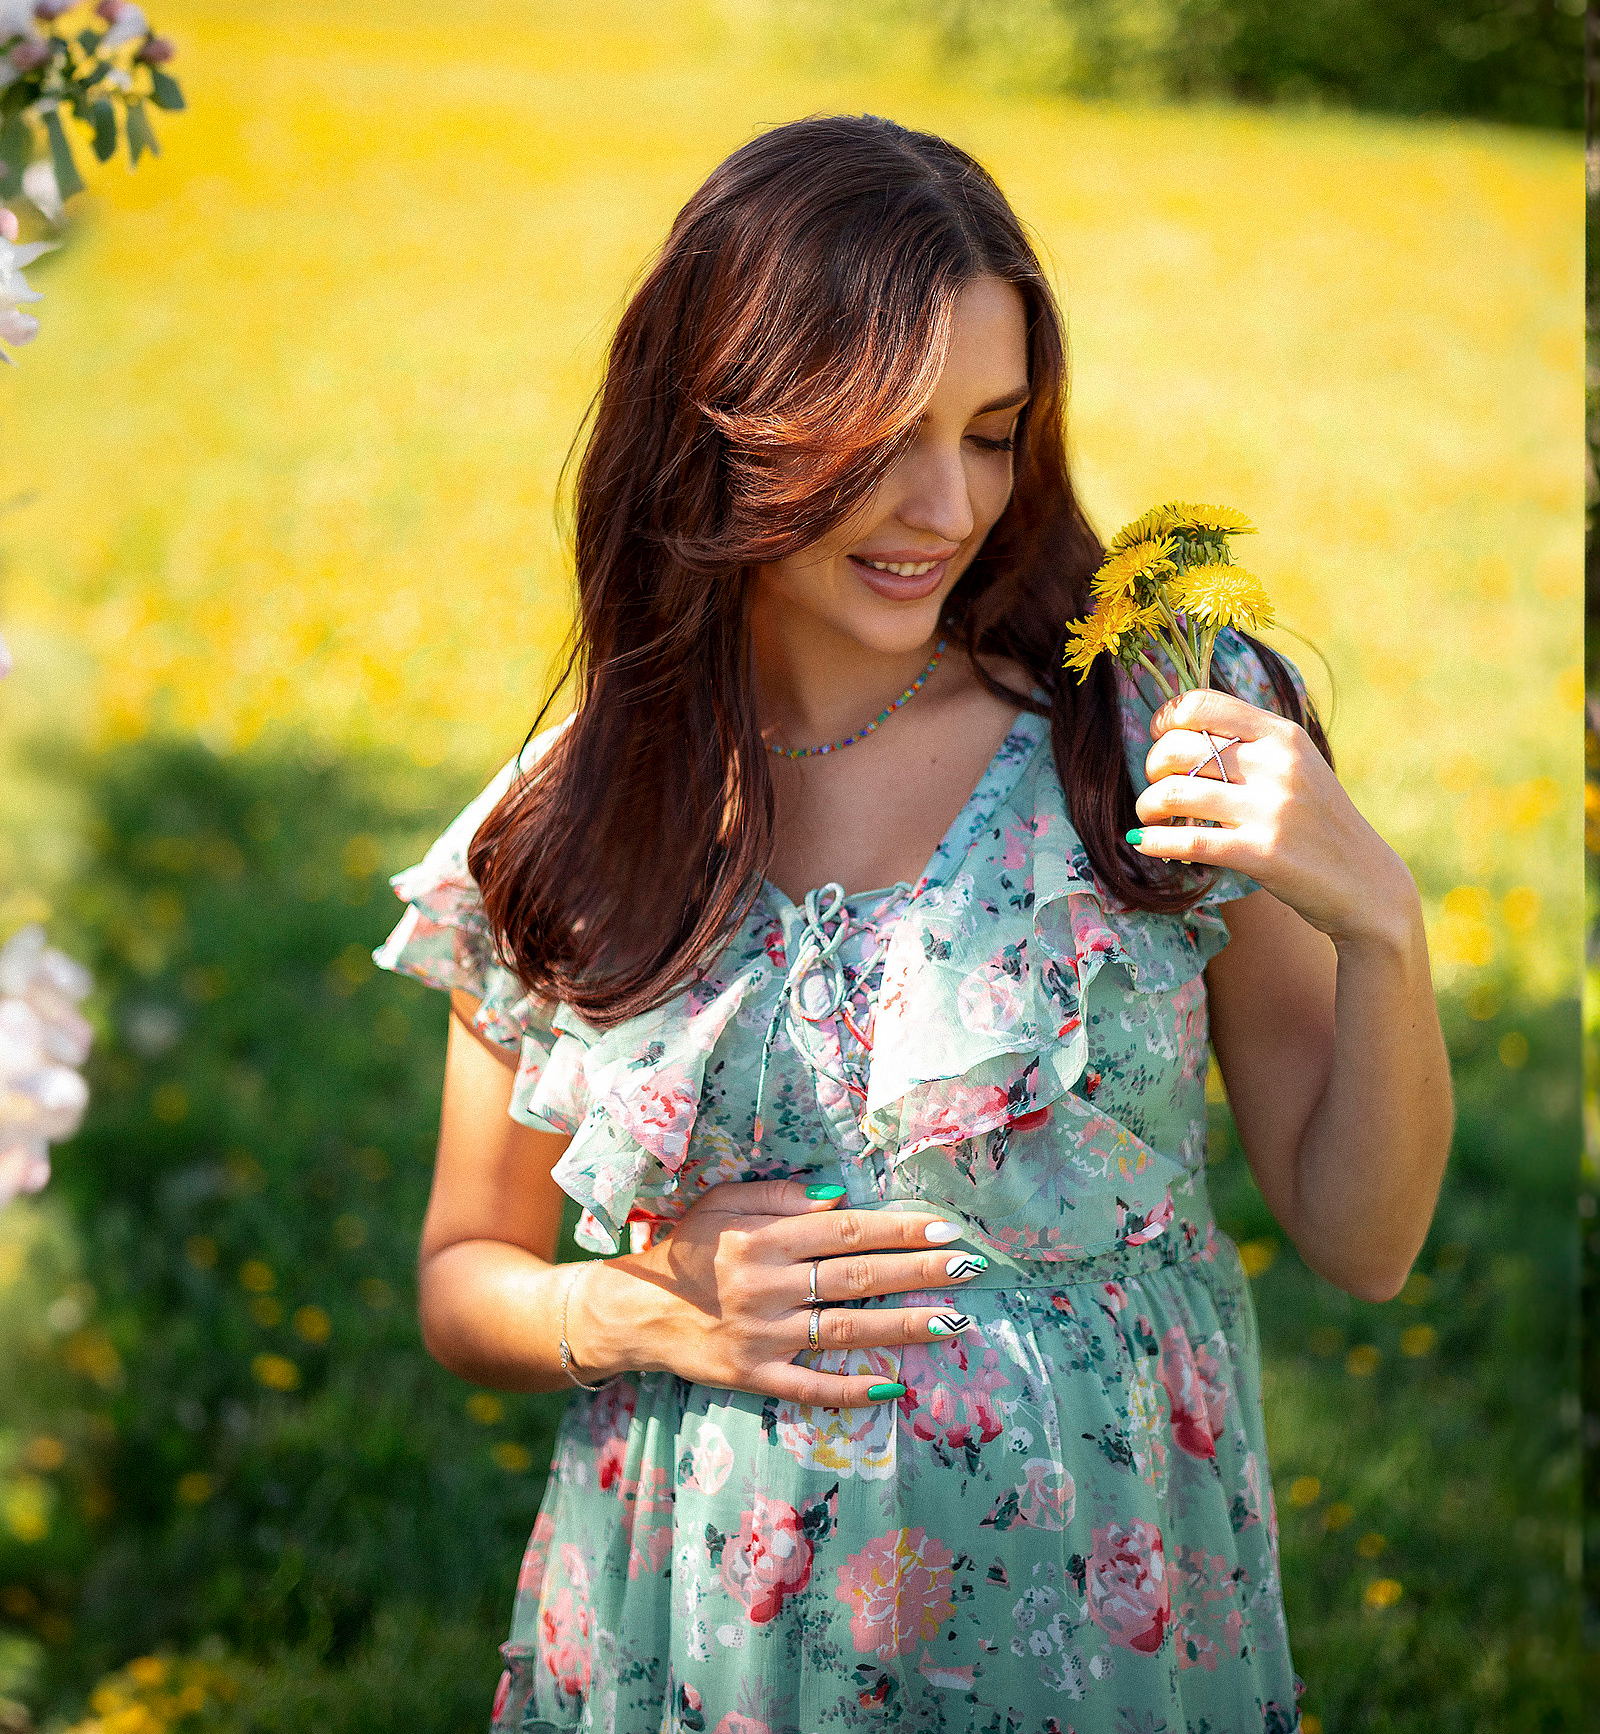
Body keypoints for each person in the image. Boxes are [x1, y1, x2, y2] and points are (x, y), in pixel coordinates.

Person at [375, 116, 1452, 1734]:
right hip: (713, 1644)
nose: (946, 506)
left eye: (996, 432)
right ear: (721, 424)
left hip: (1100, 1628)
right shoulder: (576, 820)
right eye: (882, 438)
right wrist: (640, 1304)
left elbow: (1364, 1244)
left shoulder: (1149, 736)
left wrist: (1383, 927)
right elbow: (468, 1275)